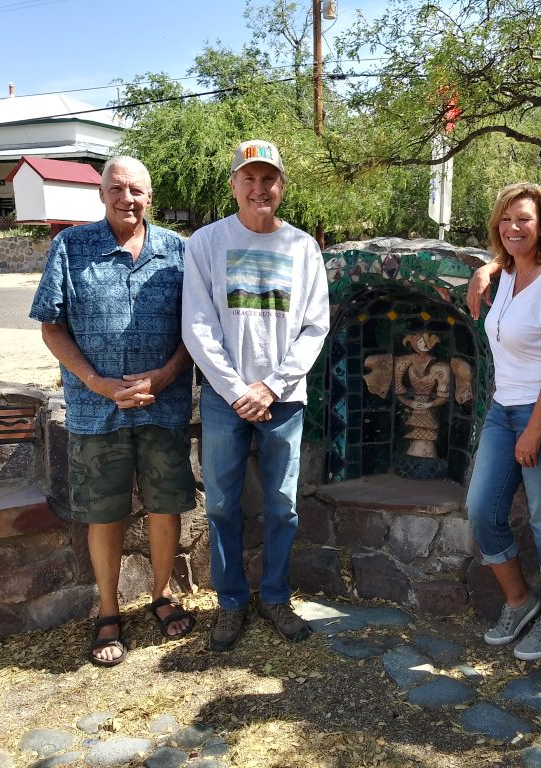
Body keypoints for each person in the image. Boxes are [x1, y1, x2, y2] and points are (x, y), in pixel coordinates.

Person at [30, 156, 197, 667]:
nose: (128, 198)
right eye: (118, 188)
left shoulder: (179, 252)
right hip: (94, 411)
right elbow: (51, 326)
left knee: (166, 506)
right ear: (102, 193)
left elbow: (198, 327)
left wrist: (165, 376)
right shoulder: (71, 247)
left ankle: (162, 596)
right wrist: (97, 382)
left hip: (162, 407)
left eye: (138, 190)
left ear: (151, 197)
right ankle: (108, 611)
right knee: (104, 514)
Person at [182, 139, 330, 650]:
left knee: (283, 506)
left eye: (269, 179)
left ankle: (275, 597)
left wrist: (272, 385)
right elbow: (197, 325)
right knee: (222, 504)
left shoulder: (303, 247)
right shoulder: (206, 243)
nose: (259, 187)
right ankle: (230, 603)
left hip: (284, 398)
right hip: (227, 399)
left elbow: (315, 326)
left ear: (281, 187)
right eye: (249, 178)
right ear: (234, 186)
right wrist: (237, 388)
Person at [464, 183, 541, 661]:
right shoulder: (508, 272)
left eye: (525, 220)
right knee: (482, 509)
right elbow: (505, 259)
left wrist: (534, 429)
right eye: (507, 220)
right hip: (503, 408)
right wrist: (487, 266)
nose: (514, 228)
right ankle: (520, 601)